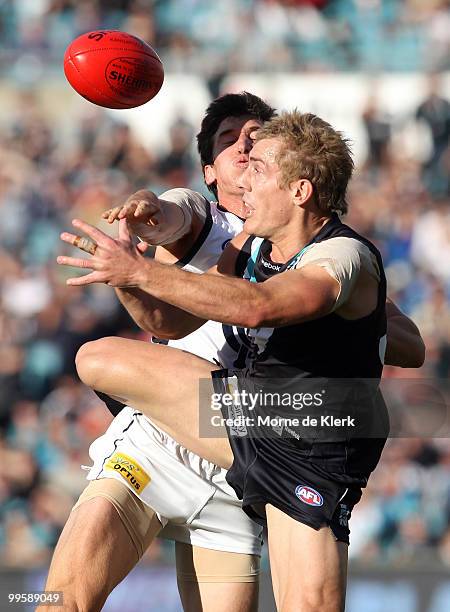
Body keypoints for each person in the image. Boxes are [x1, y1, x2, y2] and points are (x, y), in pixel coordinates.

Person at [57, 109, 425, 611]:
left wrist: (141, 272)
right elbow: (173, 281)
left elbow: (260, 307)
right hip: (238, 419)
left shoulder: (341, 255)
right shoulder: (237, 237)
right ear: (209, 167)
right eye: (234, 147)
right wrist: (135, 264)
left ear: (299, 191)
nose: (246, 167)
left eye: (259, 161)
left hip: (307, 449)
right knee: (97, 358)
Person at [42, 92, 275, 612]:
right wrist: (149, 212)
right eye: (227, 139)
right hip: (156, 446)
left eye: (255, 138)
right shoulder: (208, 218)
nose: (243, 146)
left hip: (235, 476)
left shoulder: (316, 249)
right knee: (61, 601)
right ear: (209, 171)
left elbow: (406, 341)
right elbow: (171, 212)